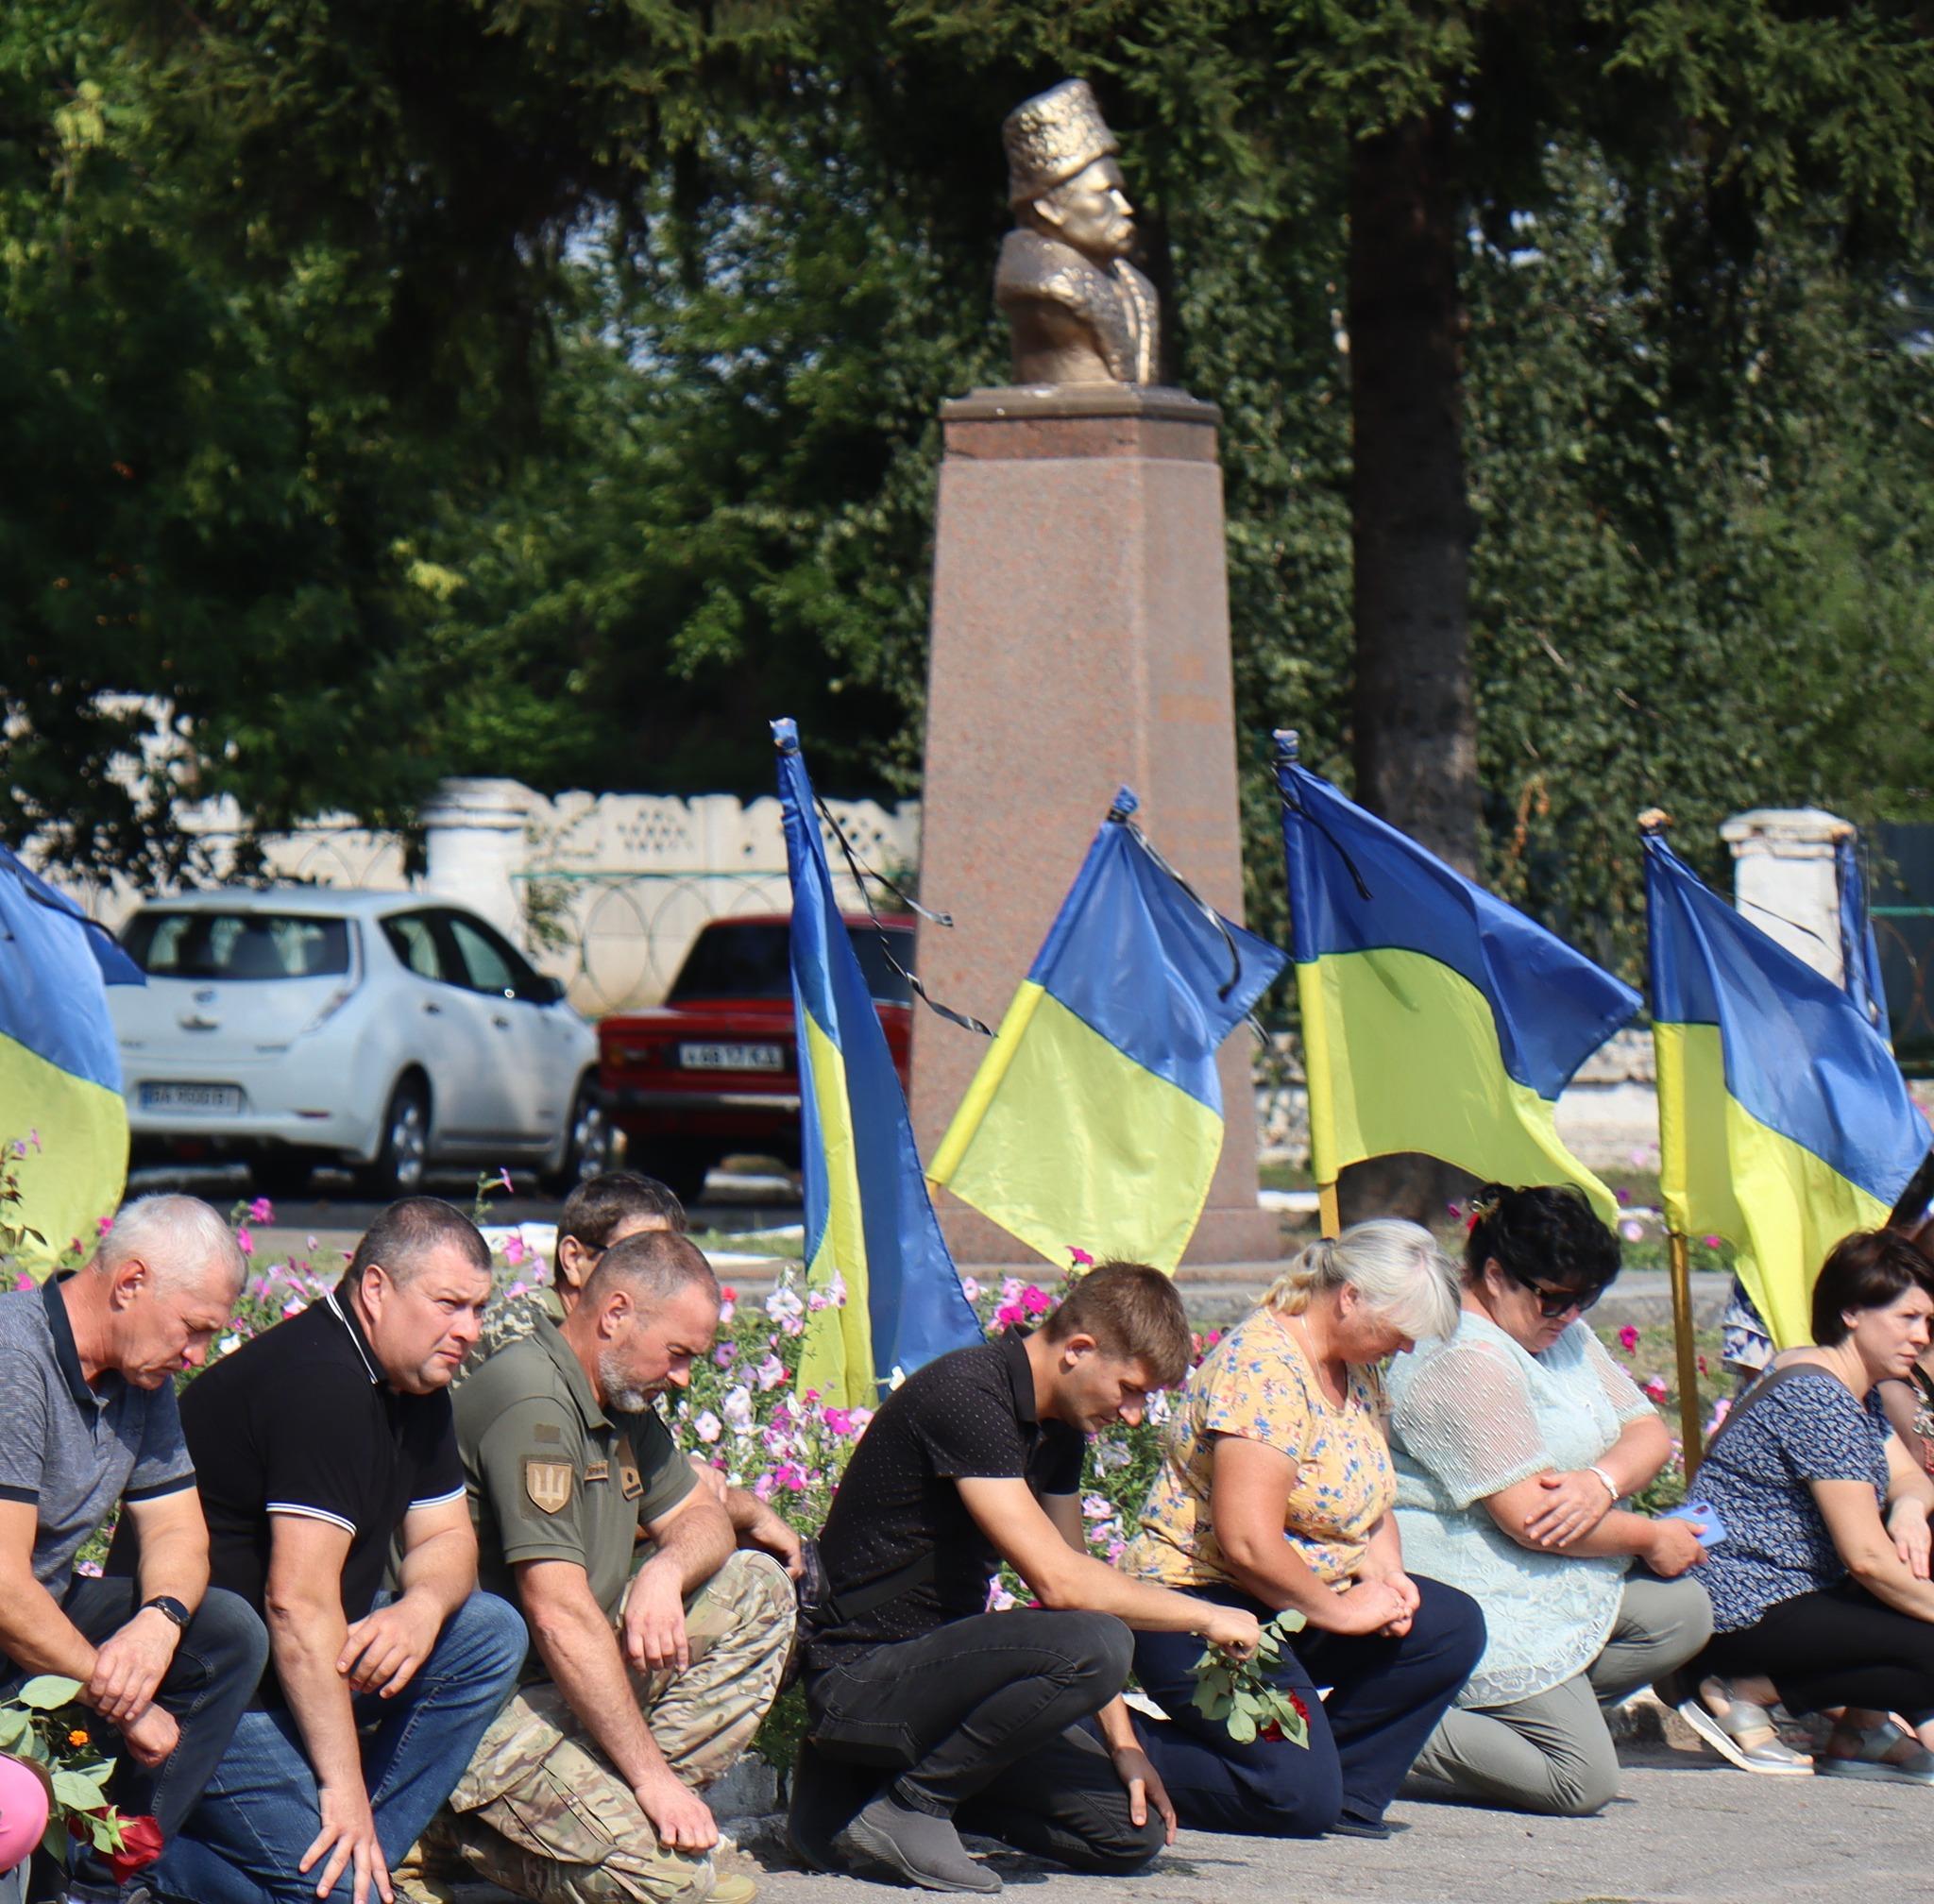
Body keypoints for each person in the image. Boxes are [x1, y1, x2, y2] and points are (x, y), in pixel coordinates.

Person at [789, 1261, 1264, 1895]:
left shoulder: (1058, 1430)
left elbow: (1075, 1586)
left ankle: (861, 1806)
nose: (1132, 1414)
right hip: (861, 1680)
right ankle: (913, 1806)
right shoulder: (968, 1396)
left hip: (937, 1691)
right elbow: (1064, 1587)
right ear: (1079, 1350)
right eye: (1130, 1388)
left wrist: (1124, 1746)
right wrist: (1206, 1615)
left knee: (1127, 1834)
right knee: (1100, 1641)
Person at [151, 1198, 528, 1904]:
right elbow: (296, 1606)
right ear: (377, 1289)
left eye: (478, 1309)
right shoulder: (321, 1384)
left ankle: (350, 1872)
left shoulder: (414, 1381)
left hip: (309, 1663)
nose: (469, 1331)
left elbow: (449, 1540)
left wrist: (419, 1608)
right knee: (340, 1885)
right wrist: (344, 1787)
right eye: (450, 1304)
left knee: (489, 1631)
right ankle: (143, 1866)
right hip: (220, 1693)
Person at [431, 1229, 792, 1904]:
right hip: (478, 1710)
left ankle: (609, 1812)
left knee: (756, 1588)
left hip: (564, 1682)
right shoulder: (535, 1401)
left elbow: (703, 1517)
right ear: (616, 1314)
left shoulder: (619, 1396)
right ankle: (441, 1836)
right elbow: (557, 1611)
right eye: (678, 1354)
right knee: (674, 1889)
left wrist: (663, 1572)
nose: (683, 1378)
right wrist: (652, 1781)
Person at [1122, 1222, 1482, 1841]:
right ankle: (1101, 1742)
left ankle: (1336, 1787)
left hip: (1288, 1602)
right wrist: (1340, 1613)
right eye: (1400, 1332)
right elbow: (1248, 1542)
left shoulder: (1355, 1365)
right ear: (1351, 1299)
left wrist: (1387, 1573)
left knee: (1448, 1627)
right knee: (1290, 1796)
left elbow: (1370, 1495)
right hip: (1200, 1605)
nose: (1404, 1350)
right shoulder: (1262, 1367)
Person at [1386, 1184, 1715, 1815]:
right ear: (1494, 1274)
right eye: (1557, 1298)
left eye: (1586, 1299)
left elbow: (1649, 1433)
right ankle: (1369, 1718)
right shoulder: (1461, 1355)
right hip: (1473, 1582)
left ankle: (1516, 1719)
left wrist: (1602, 1483)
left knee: (1682, 1612)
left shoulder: (1554, 1327)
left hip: (1545, 1572)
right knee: (1580, 1781)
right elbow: (1530, 1520)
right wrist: (1647, 1536)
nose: (1569, 1315)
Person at [0, 1196, 265, 1904]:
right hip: (10, 1611)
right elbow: (1, 1584)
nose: (198, 1355)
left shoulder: (141, 1377)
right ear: (130, 1283)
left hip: (41, 1608)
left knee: (225, 1634)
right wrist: (118, 1697)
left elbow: (180, 1531)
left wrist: (161, 1620)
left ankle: (102, 1882)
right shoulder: (13, 1356)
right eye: (194, 1328)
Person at [1671, 1228, 1934, 1782]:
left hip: (1801, 1587)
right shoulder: (1817, 1397)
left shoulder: (1850, 1387)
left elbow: (1911, 1478)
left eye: (1927, 1323)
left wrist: (1909, 1508)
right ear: (1853, 1313)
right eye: (1907, 1319)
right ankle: (1739, 1685)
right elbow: (1866, 1557)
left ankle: (1859, 1730)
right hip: (1747, 1597)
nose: (1920, 1337)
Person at [464, 1171, 687, 1374]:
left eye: (668, 1266)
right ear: (574, 1259)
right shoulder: (526, 1334)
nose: (657, 1281)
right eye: (635, 1260)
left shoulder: (624, 1340)